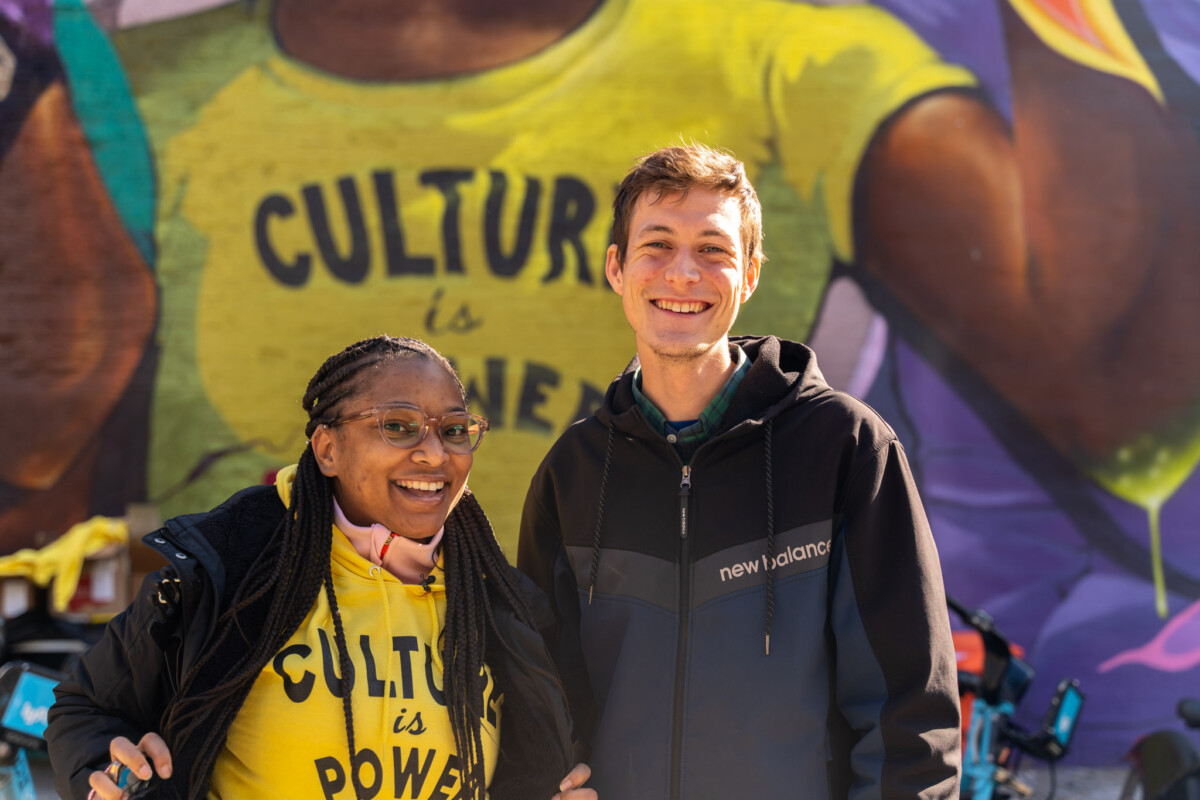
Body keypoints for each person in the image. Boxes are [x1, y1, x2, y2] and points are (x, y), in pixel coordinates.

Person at [517, 144, 961, 798]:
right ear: (617, 268)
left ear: (750, 274)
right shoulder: (574, 474)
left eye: (714, 250)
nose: (682, 273)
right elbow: (538, 699)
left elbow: (909, 717)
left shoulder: (846, 450)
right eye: (658, 246)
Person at [46, 335, 595, 800]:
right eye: (399, 427)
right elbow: (87, 707)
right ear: (327, 449)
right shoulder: (233, 566)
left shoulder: (495, 599)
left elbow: (537, 765)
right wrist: (103, 764)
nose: (434, 454)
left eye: (453, 430)